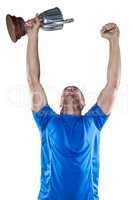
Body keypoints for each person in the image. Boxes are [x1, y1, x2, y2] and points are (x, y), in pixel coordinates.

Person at [25, 17, 121, 200]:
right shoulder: (46, 120)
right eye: (67, 90)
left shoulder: (94, 120)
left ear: (84, 103)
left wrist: (114, 40)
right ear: (60, 102)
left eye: (76, 90)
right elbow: (33, 81)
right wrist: (33, 34)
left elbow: (113, 84)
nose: (70, 89)